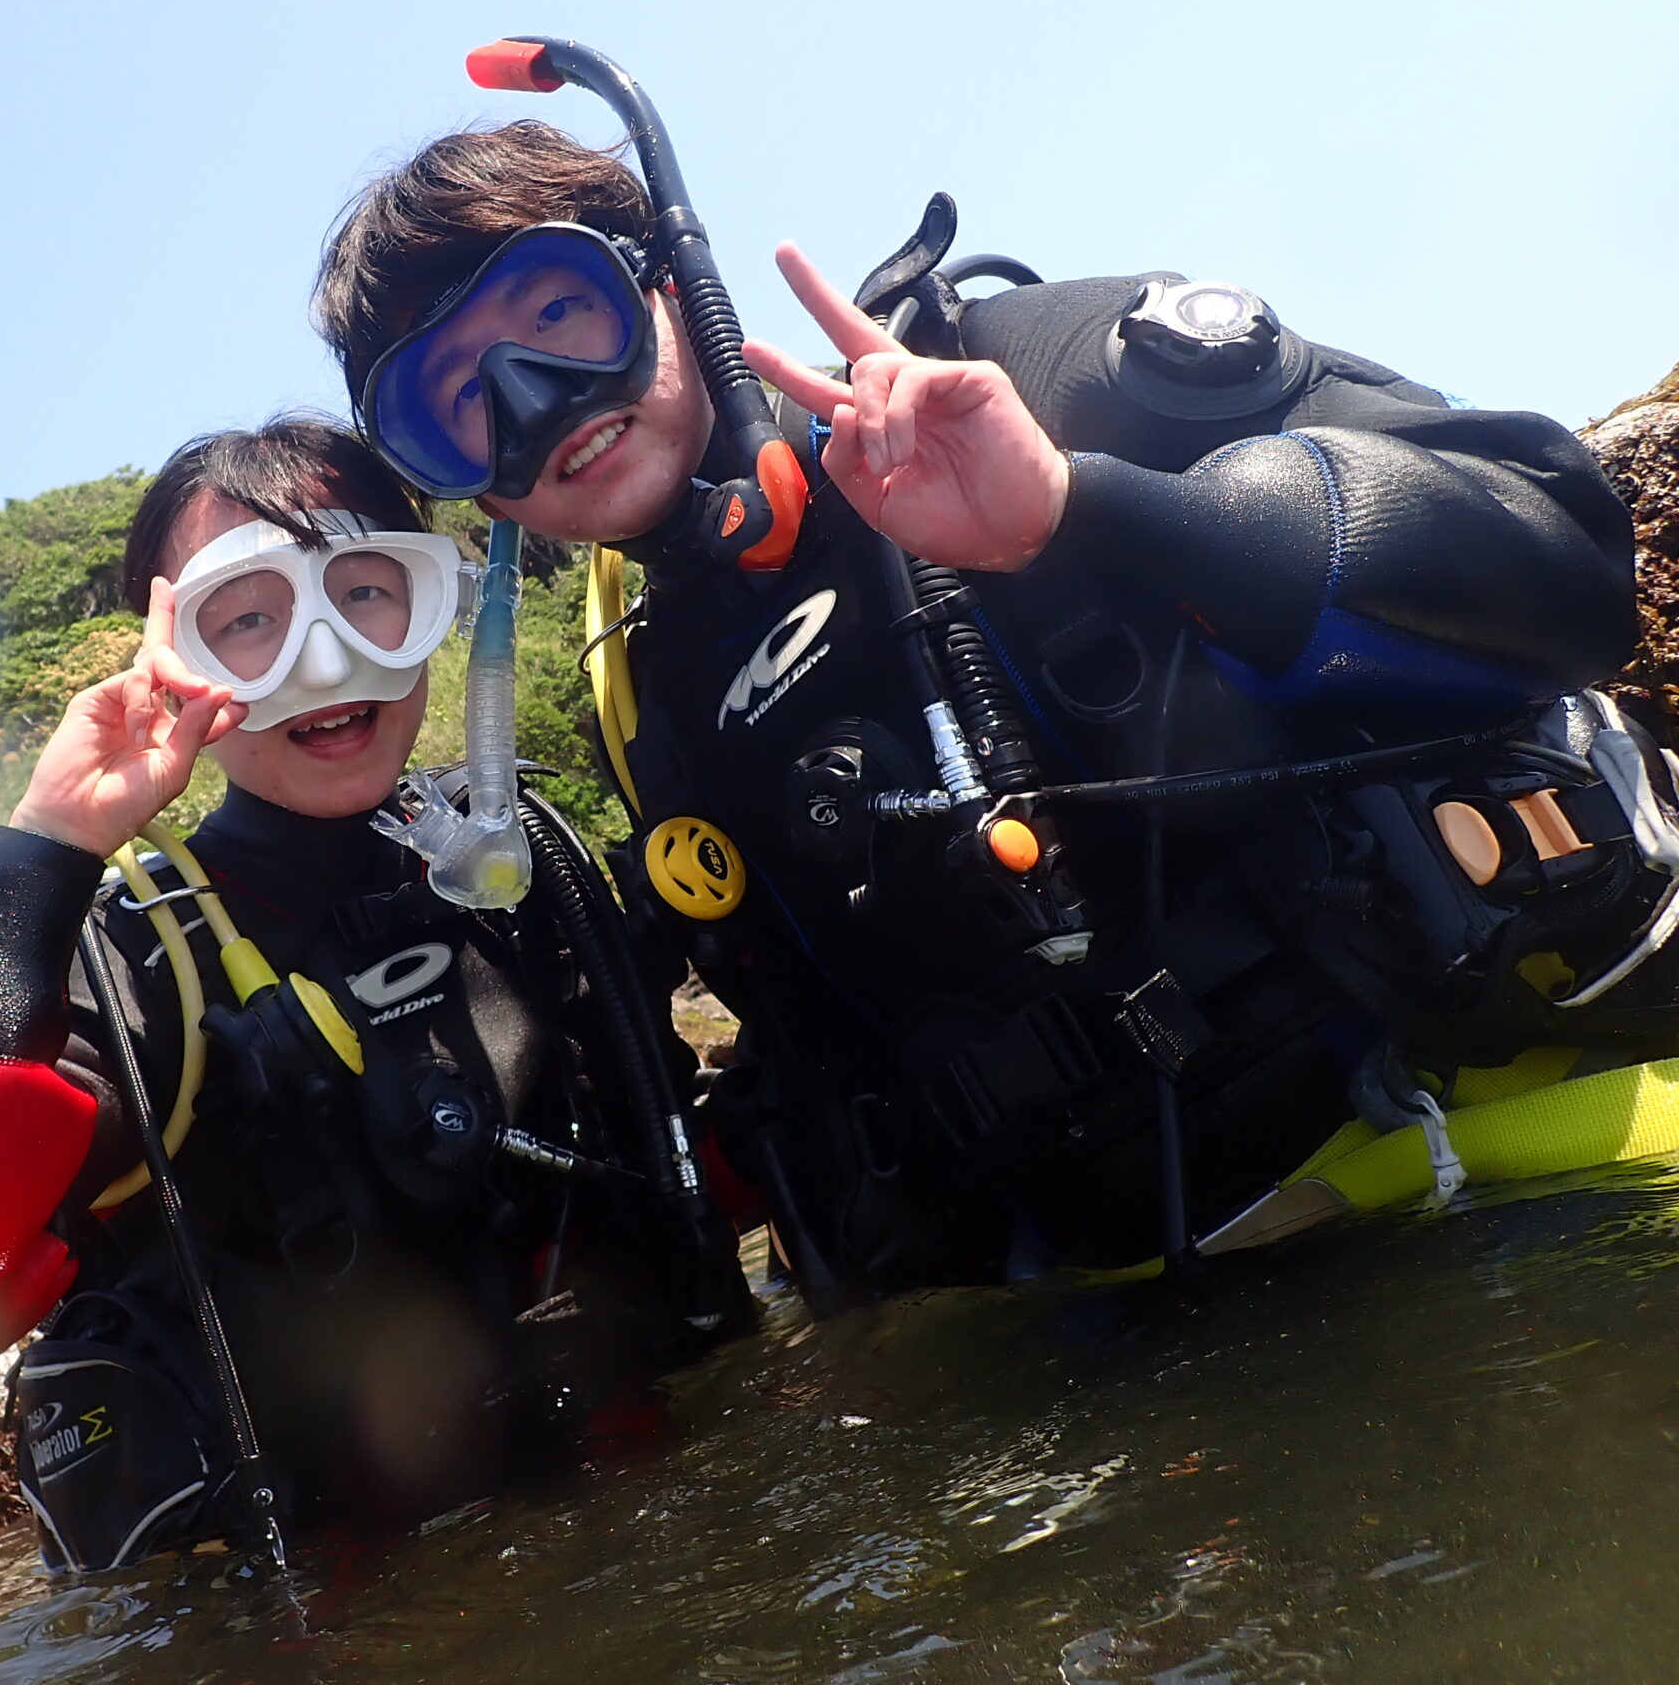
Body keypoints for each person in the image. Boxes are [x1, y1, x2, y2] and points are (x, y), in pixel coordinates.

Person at [319, 100, 1668, 1302]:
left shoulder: (1030, 370)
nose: (536, 403)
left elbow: (1564, 558)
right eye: (454, 402)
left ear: (668, 281)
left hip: (1524, 1173)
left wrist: (1093, 511)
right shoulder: (650, 696)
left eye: (557, 315)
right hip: (1132, 1349)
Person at [0, 418, 742, 1573]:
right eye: (247, 618)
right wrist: (41, 855)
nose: (325, 659)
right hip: (350, 1616)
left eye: (366, 592)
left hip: (653, 1527)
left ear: (440, 604)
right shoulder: (143, 961)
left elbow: (690, 1157)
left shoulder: (524, 867)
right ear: (175, 653)